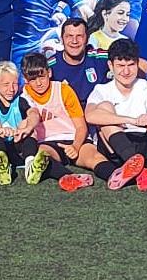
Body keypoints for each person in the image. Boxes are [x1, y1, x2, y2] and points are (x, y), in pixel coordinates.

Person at [84, 38, 147, 189]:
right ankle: (137, 169)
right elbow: (90, 116)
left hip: (144, 141)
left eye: (131, 65)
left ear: (137, 64)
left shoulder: (146, 87)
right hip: (117, 146)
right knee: (105, 108)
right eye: (121, 66)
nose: (126, 71)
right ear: (110, 66)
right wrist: (131, 120)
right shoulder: (102, 90)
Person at [20, 51, 106, 191]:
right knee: (42, 157)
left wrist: (76, 146)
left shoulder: (63, 90)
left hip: (74, 138)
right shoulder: (25, 95)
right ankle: (70, 177)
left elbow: (81, 126)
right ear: (25, 79)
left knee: (94, 157)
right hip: (48, 142)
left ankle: (115, 174)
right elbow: (31, 115)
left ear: (49, 73)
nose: (39, 83)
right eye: (33, 79)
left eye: (41, 76)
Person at [48, 17, 108, 98]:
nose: (74, 41)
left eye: (79, 36)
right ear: (62, 39)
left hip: (98, 108)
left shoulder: (100, 57)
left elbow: (126, 58)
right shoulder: (49, 65)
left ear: (87, 39)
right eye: (69, 36)